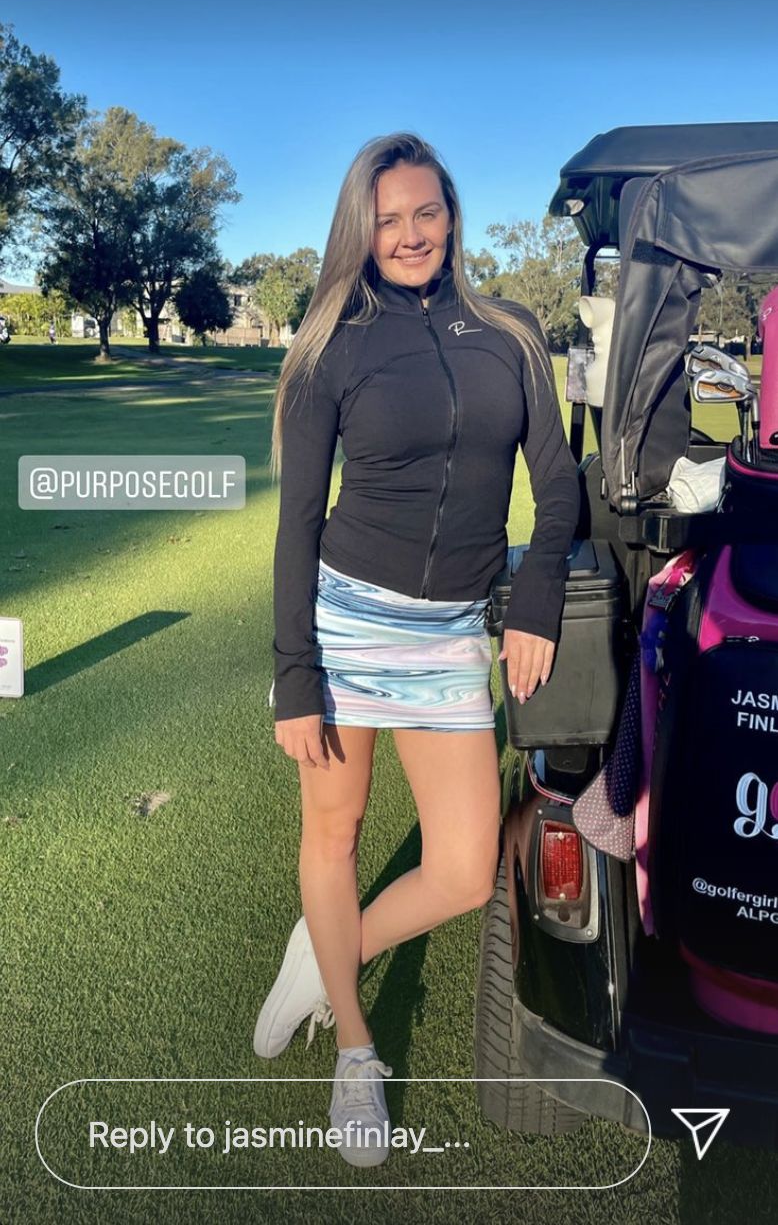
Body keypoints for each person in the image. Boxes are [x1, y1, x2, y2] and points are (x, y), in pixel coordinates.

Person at [256, 133, 580, 1166]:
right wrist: (296, 674)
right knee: (334, 835)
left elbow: (557, 482)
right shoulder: (330, 344)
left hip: (449, 634)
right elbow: (296, 523)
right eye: (387, 218)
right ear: (361, 229)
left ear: (452, 216)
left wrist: (536, 597)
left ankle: (325, 950)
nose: (408, 234)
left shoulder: (510, 331)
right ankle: (357, 1049)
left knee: (462, 869)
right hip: (347, 620)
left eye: (425, 212)